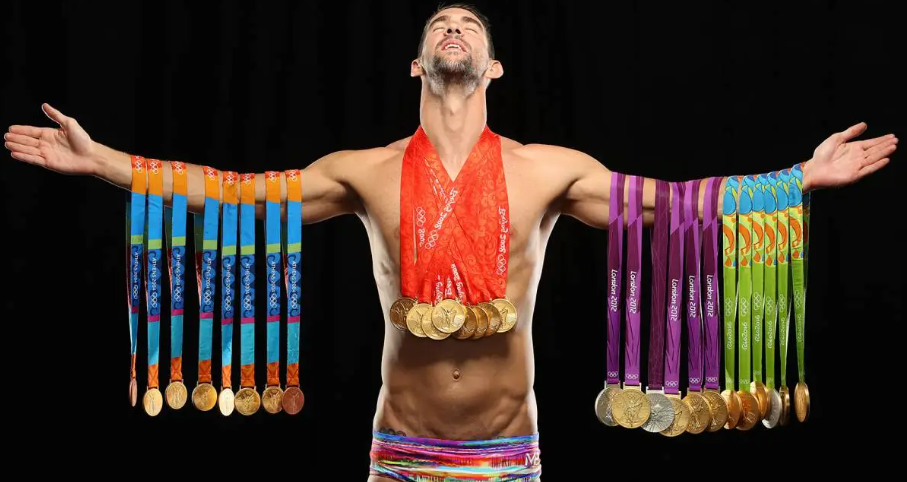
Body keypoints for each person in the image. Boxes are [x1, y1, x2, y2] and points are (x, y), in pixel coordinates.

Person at [4, 4, 896, 481]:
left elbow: (670, 207)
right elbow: (239, 195)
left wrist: (796, 179)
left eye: (469, 24)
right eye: (438, 25)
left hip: (510, 451)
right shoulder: (364, 170)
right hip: (399, 450)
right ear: (417, 65)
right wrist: (105, 163)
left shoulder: (547, 169)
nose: (453, 29)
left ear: (494, 66)